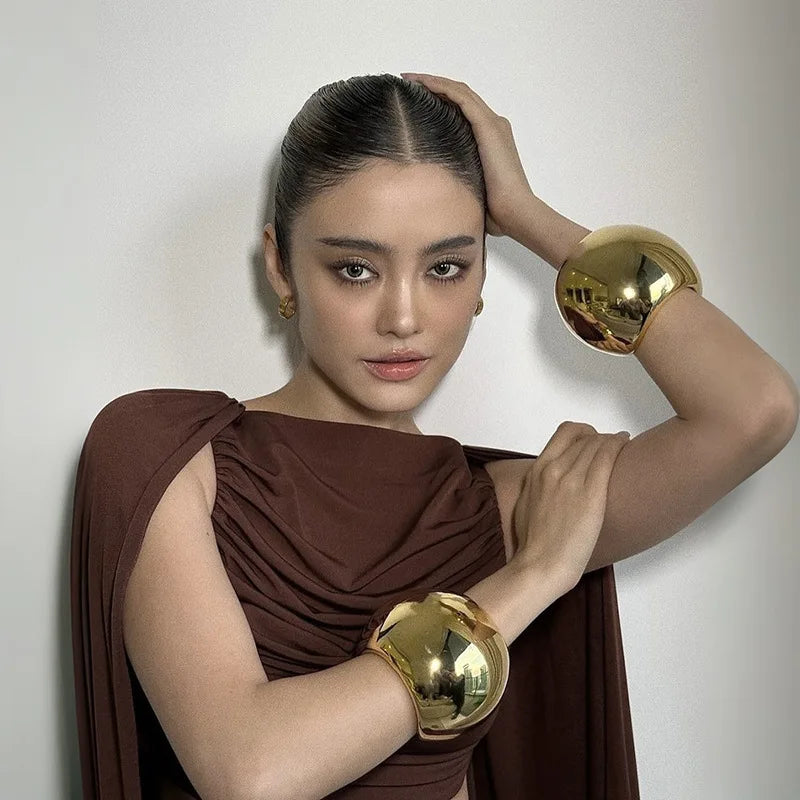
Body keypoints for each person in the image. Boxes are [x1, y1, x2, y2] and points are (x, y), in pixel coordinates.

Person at [70, 72, 799, 800]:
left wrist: (530, 215)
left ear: (482, 271)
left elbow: (754, 409)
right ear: (279, 264)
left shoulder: (508, 506)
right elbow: (253, 774)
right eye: (355, 269)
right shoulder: (165, 454)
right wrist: (527, 581)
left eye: (447, 266)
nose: (404, 317)